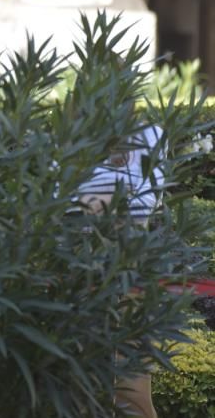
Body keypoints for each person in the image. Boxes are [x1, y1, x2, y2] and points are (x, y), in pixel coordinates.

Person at [74, 123, 165, 418]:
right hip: (79, 270)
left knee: (133, 394)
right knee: (78, 388)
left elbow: (152, 201)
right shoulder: (75, 129)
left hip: (132, 271)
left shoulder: (153, 134)